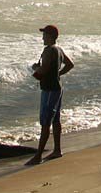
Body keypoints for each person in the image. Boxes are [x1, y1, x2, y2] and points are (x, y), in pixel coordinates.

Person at [26, 24, 74, 165]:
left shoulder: (48, 51)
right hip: (57, 88)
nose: (42, 38)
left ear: (51, 36)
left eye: (44, 35)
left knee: (46, 122)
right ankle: (57, 150)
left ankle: (38, 155)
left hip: (49, 90)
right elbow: (70, 64)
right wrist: (58, 74)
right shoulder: (58, 50)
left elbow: (43, 70)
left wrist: (35, 68)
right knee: (55, 120)